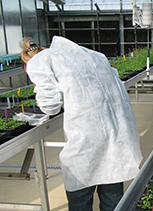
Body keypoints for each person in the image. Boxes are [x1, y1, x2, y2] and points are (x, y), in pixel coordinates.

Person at [20, 36, 143, 211]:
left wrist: (44, 101)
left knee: (80, 200)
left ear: (28, 64)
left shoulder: (40, 61)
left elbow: (50, 106)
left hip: (86, 142)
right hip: (117, 138)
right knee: (113, 201)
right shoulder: (92, 55)